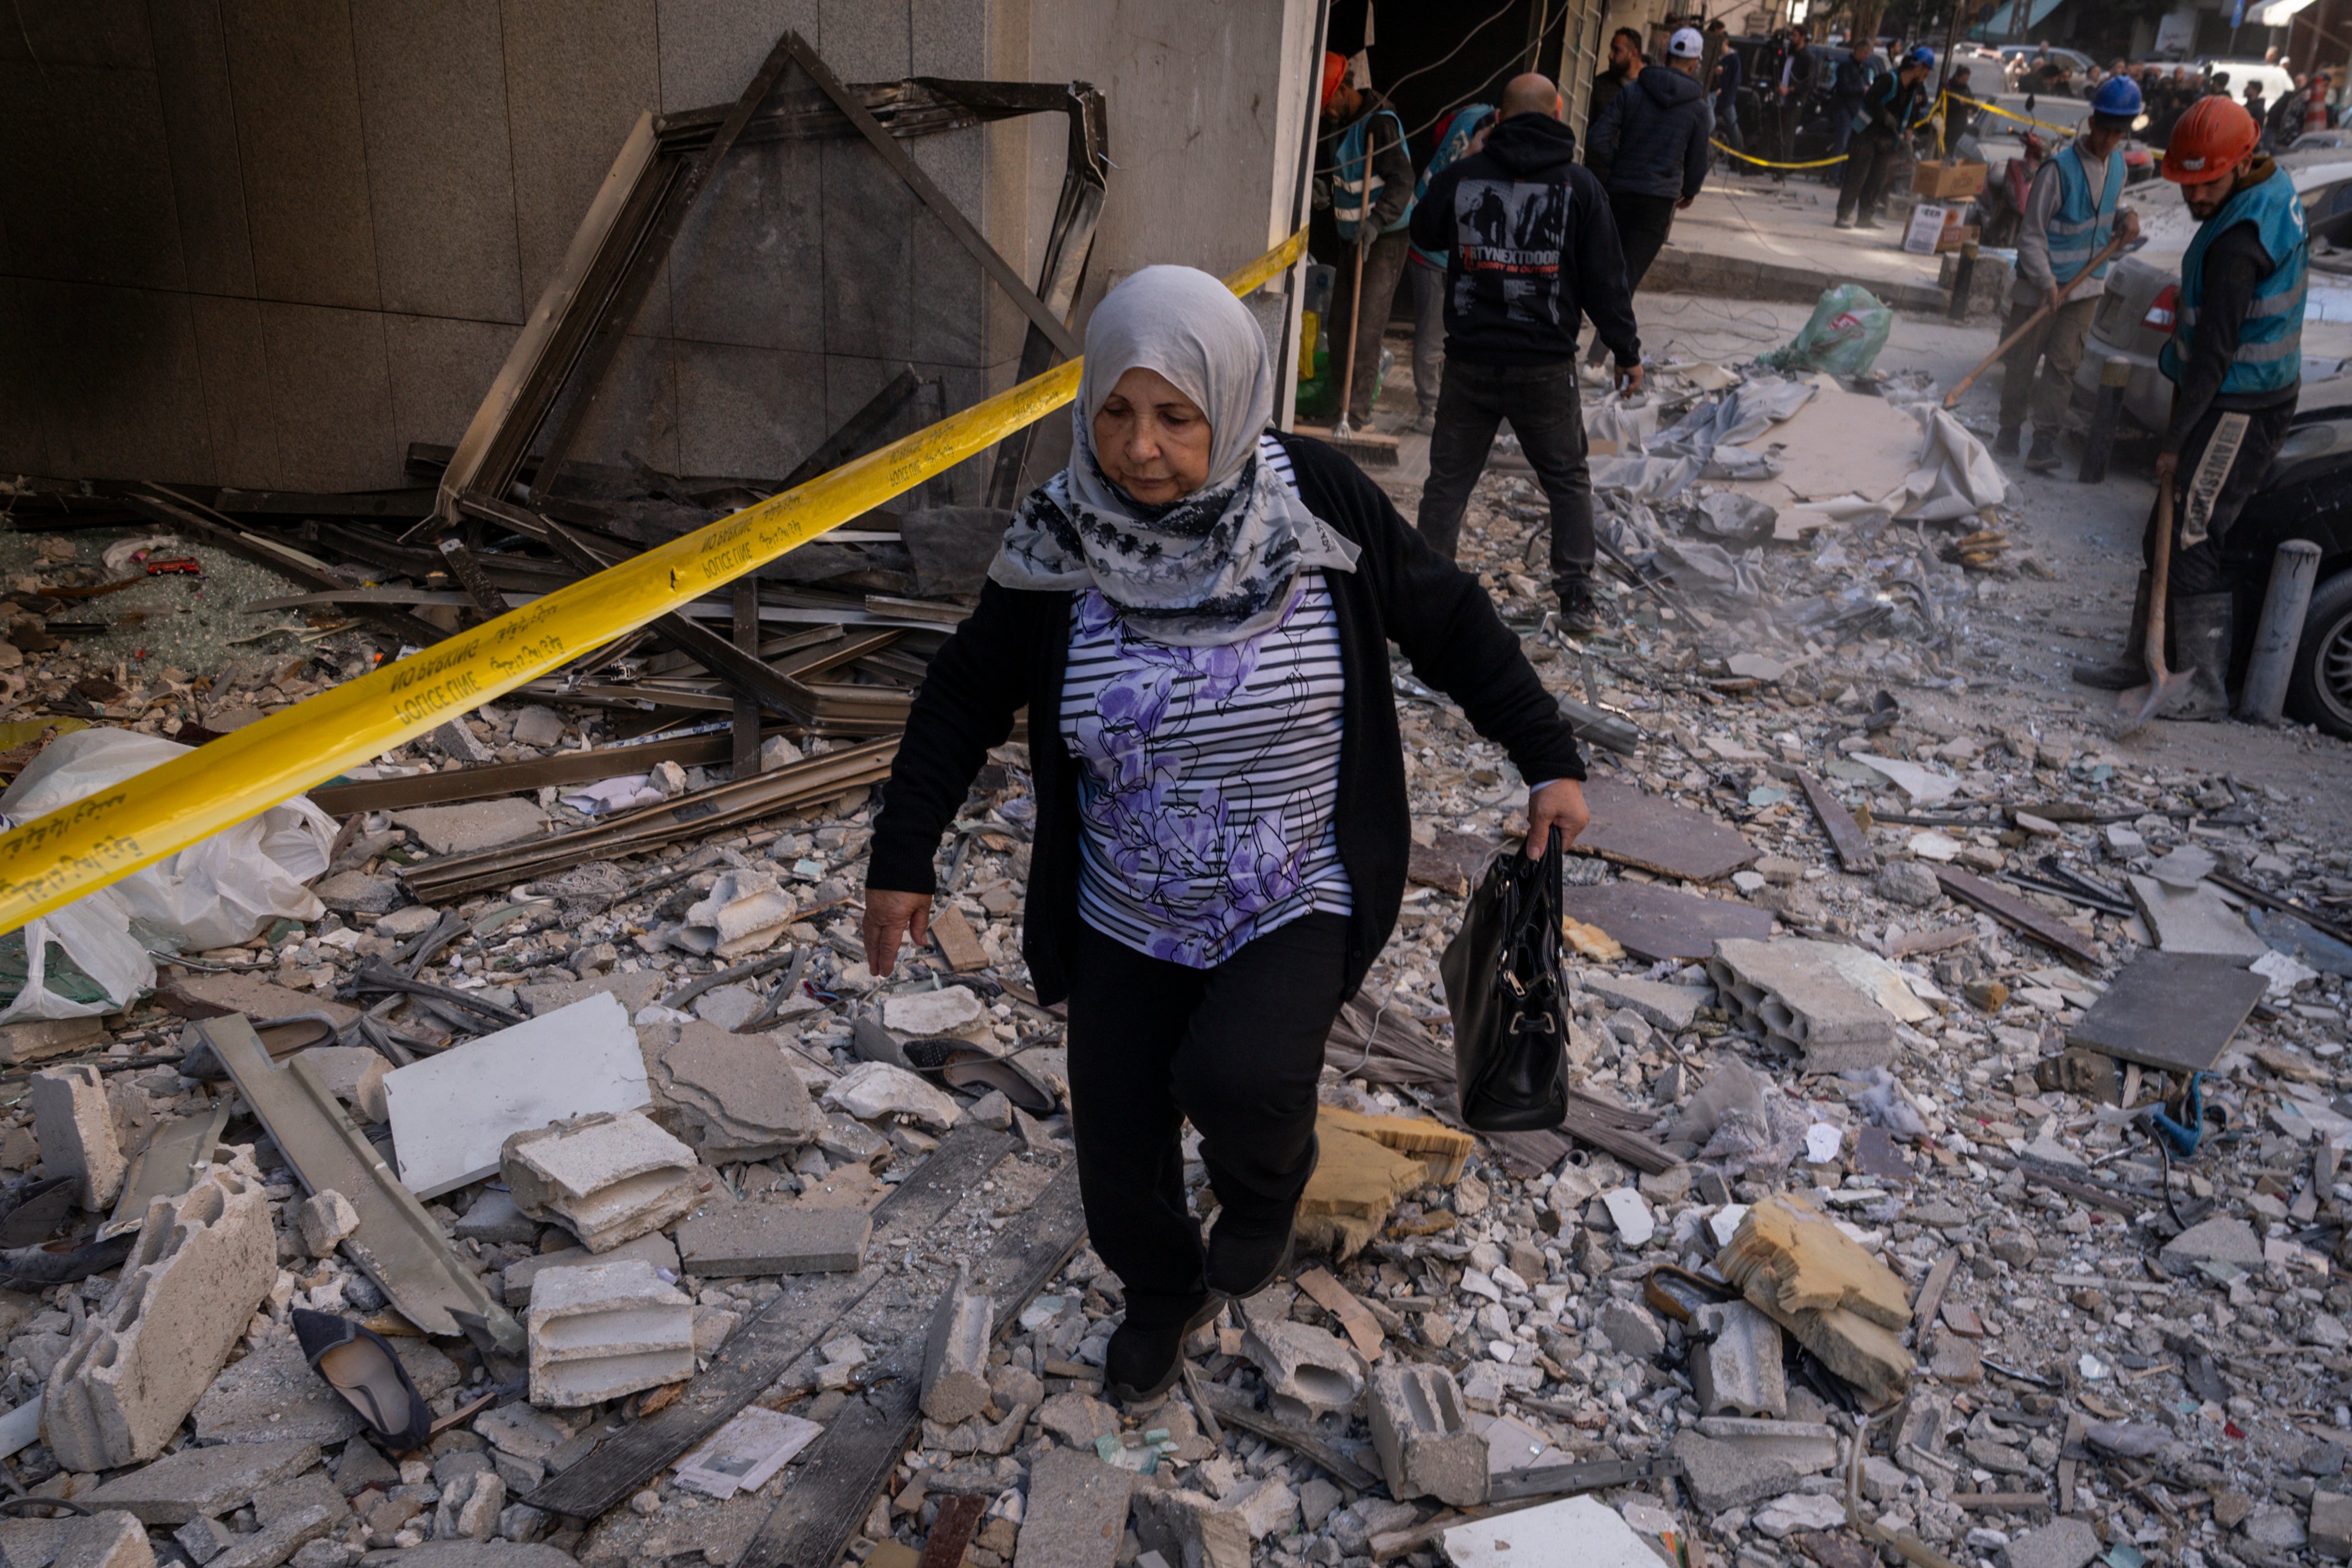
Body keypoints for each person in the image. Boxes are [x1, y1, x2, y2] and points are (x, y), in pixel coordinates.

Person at [860, 265, 1593, 1404]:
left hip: (1290, 883)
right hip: (1122, 902)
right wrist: (902, 856)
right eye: (1114, 410)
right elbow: (963, 692)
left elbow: (1442, 617)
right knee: (1116, 1149)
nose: (1137, 448)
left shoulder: (1313, 503)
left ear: (1231, 405)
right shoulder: (1060, 537)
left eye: (1172, 416)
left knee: (1243, 1077)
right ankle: (1161, 1294)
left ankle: (1264, 1187)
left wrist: (1543, 753)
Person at [2072, 95, 2308, 717]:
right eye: (2188, 185)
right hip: (2231, 396)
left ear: (2241, 163)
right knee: (2163, 532)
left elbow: (2213, 356)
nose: (2197, 198)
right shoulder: (2263, 186)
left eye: (2207, 185)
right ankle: (2145, 657)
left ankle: (2199, 682)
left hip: (2241, 405)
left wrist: (2175, 442)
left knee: (2194, 535)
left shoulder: (2239, 242)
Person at [1411, 72, 1643, 636]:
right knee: (1567, 480)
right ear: (1559, 113)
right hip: (1543, 366)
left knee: (1447, 481)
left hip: (1470, 362)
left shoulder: (1467, 177)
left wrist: (1467, 160)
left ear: (1500, 118)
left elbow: (1424, 229)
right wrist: (1627, 352)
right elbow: (1606, 281)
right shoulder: (1580, 187)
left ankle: (1423, 595)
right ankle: (1577, 599)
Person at [1995, 75, 2146, 469]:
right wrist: (2048, 283)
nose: (2110, 140)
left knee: (2064, 366)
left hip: (2085, 288)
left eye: (2119, 133)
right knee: (2022, 362)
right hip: (2040, 285)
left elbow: (2116, 205)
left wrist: (2128, 216)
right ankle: (2009, 429)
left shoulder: (2117, 168)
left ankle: (2044, 442)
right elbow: (2030, 236)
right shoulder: (2057, 171)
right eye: (2106, 130)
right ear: (2093, 122)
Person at [1318, 54, 1416, 427]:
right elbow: (1345, 174)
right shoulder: (1339, 125)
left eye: (1328, 104)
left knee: (1366, 327)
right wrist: (1324, 189)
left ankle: (1356, 414)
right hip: (1352, 237)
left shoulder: (1380, 124)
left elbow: (1403, 181)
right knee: (1341, 327)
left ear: (1343, 91)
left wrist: (1376, 221)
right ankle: (1339, 407)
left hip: (1385, 238)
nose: (1326, 113)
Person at [1587, 26, 1715, 300]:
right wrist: (1690, 190)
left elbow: (1597, 138)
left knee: (1609, 268)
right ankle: (1615, 341)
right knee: (1627, 277)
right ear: (1695, 65)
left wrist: (1620, 163)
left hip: (1620, 192)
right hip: (1659, 200)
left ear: (1666, 57)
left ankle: (1596, 330)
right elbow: (1698, 159)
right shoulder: (1699, 109)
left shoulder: (1633, 93)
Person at [1404, 102, 1497, 430]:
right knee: (1433, 337)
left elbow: (1438, 134)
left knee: (1443, 336)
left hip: (1435, 242)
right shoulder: (1482, 145)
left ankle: (1442, 404)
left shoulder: (1472, 113)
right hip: (1434, 251)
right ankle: (1430, 410)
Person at [1836, 46, 1933, 228]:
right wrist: (1884, 114)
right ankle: (1843, 215)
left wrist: (1908, 138)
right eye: (1925, 73)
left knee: (1877, 180)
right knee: (1857, 177)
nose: (1924, 78)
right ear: (1917, 68)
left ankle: (1865, 218)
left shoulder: (1913, 89)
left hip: (1887, 140)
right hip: (1867, 134)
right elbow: (1870, 99)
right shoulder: (1889, 80)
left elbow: (1911, 115)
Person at [1588, 28, 1646, 180]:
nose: (1610, 55)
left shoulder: (1651, 86)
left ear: (1633, 54)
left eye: (1617, 50)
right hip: (1600, 174)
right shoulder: (1601, 85)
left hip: (1636, 178)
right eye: (1611, 49)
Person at [1762, 26, 1818, 179]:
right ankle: (1766, 165)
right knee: (1772, 132)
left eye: (1795, 36)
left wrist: (1791, 90)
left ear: (1803, 37)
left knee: (1787, 137)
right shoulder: (1787, 55)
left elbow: (1809, 83)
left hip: (1794, 103)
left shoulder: (1808, 59)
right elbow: (1775, 71)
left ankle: (1781, 171)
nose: (1792, 38)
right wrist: (1778, 84)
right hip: (1779, 100)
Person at [1830, 36, 1879, 161]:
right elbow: (1844, 88)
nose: (1867, 56)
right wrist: (1862, 90)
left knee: (1848, 145)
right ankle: (1834, 175)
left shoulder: (1863, 68)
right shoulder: (1846, 66)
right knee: (1842, 143)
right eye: (1865, 53)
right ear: (1858, 51)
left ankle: (1840, 175)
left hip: (1855, 109)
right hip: (1844, 108)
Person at [1712, 32, 1746, 155]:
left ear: (1726, 43)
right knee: (1709, 123)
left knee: (1733, 127)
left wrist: (1725, 93)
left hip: (1726, 99)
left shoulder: (1733, 59)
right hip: (1713, 97)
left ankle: (1736, 156)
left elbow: (1735, 81)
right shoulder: (1717, 57)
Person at [1942, 63, 1978, 157]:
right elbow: (1945, 105)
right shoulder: (1950, 86)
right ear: (1957, 77)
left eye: (1967, 80)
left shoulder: (1966, 89)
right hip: (1949, 124)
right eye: (1963, 80)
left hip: (1961, 124)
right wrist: (1959, 104)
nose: (1965, 82)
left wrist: (1972, 109)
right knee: (1947, 149)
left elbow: (1973, 104)